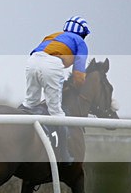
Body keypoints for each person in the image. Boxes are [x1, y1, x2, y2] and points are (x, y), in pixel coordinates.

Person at [20, 16, 91, 163]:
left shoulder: (53, 35)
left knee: (30, 103)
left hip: (32, 61)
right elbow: (79, 76)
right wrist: (76, 88)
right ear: (83, 33)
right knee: (56, 112)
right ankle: (64, 154)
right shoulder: (80, 42)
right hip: (52, 65)